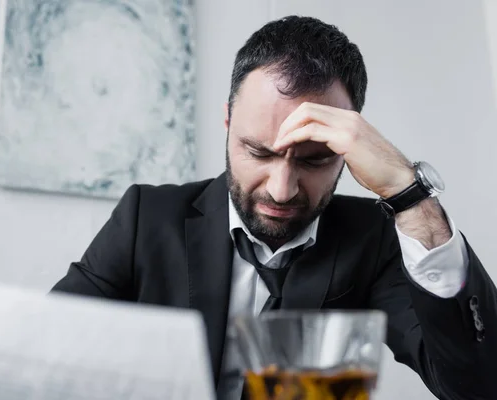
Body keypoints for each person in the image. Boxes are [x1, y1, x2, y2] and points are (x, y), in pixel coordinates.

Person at [51, 15, 497, 399]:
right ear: (227, 122)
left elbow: (475, 387)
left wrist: (408, 191)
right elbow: (43, 353)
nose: (281, 191)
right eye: (259, 153)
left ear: (349, 149)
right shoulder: (145, 217)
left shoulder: (374, 240)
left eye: (314, 159)